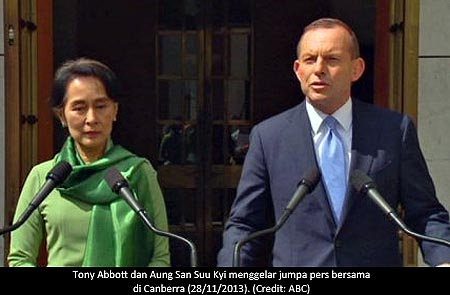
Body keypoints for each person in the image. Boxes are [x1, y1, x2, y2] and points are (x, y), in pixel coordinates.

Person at [217, 18, 450, 267]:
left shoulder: (393, 130)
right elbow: (245, 225)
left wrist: (444, 260)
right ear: (298, 70)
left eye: (332, 59)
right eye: (310, 59)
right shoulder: (269, 137)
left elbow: (425, 213)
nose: (319, 68)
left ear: (356, 69)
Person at [8, 58, 170, 266]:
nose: (91, 118)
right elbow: (20, 258)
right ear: (62, 116)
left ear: (115, 111)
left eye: (101, 106)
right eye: (79, 108)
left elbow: (160, 257)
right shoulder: (45, 177)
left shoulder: (137, 172)